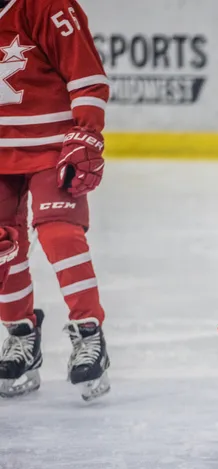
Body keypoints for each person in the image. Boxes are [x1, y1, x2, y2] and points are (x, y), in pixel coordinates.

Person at [0, 0, 111, 400]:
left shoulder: (46, 6)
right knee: (2, 246)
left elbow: (87, 76)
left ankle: (88, 333)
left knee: (59, 235)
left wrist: (87, 132)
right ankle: (21, 334)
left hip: (53, 147)